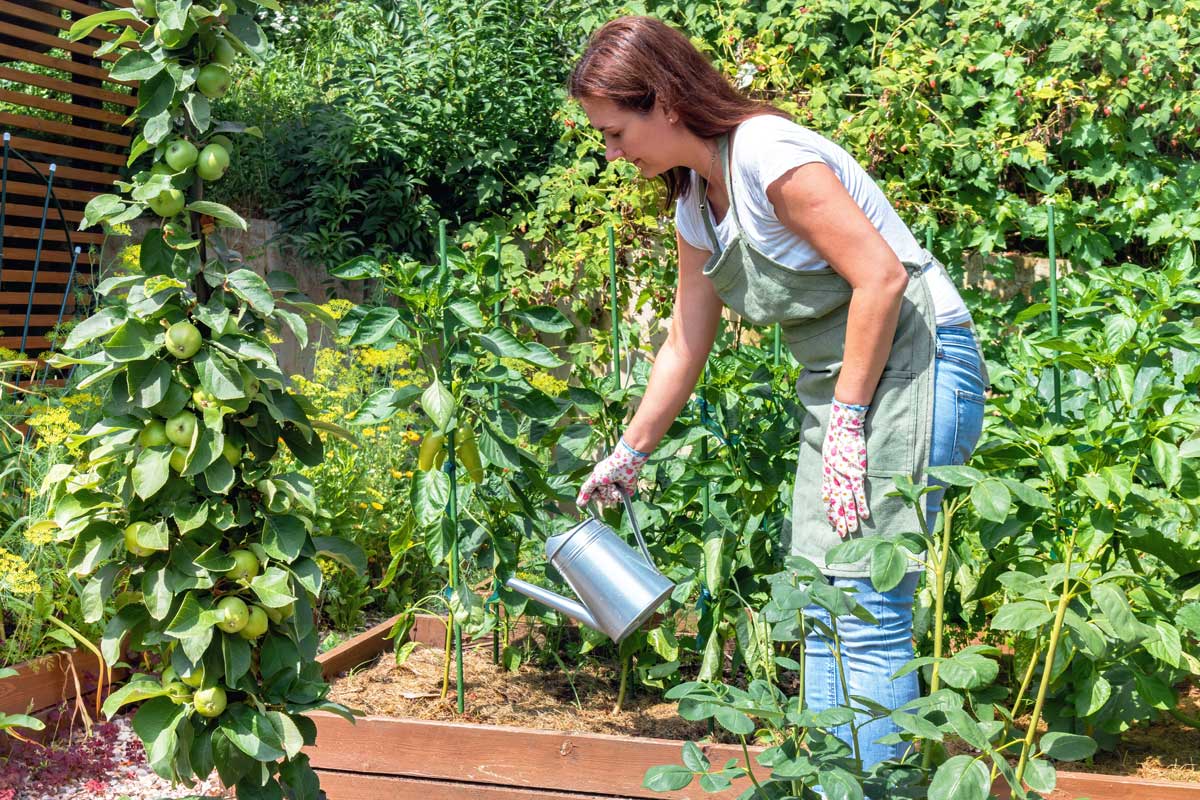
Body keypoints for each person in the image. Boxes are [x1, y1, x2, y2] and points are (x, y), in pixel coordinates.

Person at [570, 16, 989, 769]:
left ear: (663, 102)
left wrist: (850, 420)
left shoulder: (769, 155)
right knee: (821, 605)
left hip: (913, 367)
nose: (610, 151)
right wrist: (629, 452)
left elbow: (882, 277)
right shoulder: (696, 203)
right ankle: (835, 784)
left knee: (865, 603)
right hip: (841, 393)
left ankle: (879, 788)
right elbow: (684, 342)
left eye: (613, 131)